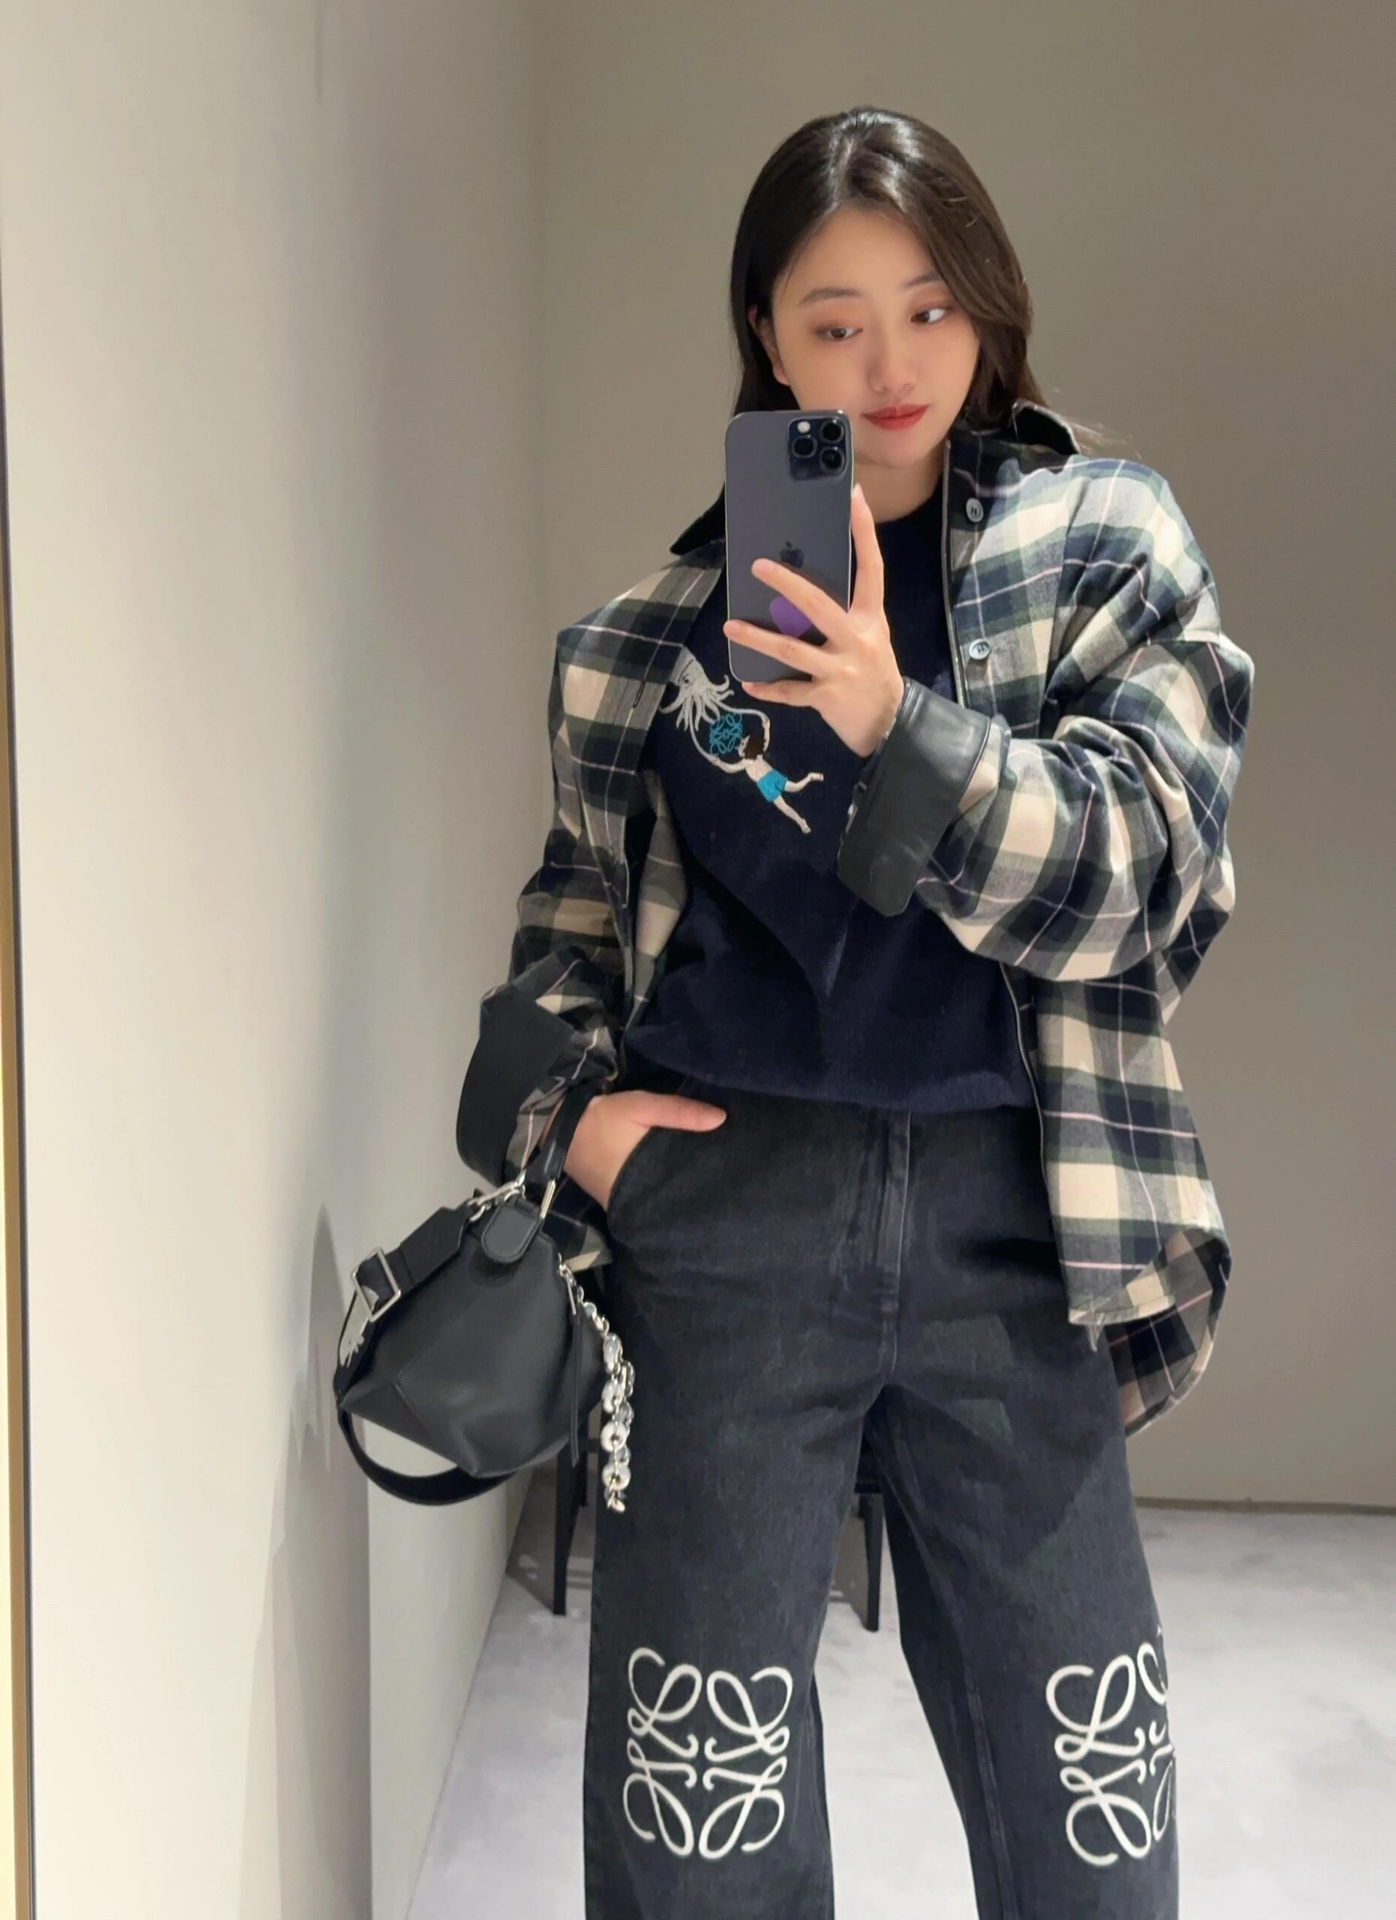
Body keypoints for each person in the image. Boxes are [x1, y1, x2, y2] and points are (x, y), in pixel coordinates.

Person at [456, 104, 1254, 1919]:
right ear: (765, 332)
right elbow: (565, 941)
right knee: (702, 1826)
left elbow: (1145, 868)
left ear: (987, 307)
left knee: (1092, 1811)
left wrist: (902, 722)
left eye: (930, 308)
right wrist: (576, 1125)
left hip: (1016, 1225)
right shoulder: (641, 645)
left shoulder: (1100, 546)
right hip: (722, 1220)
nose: (892, 366)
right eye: (835, 321)